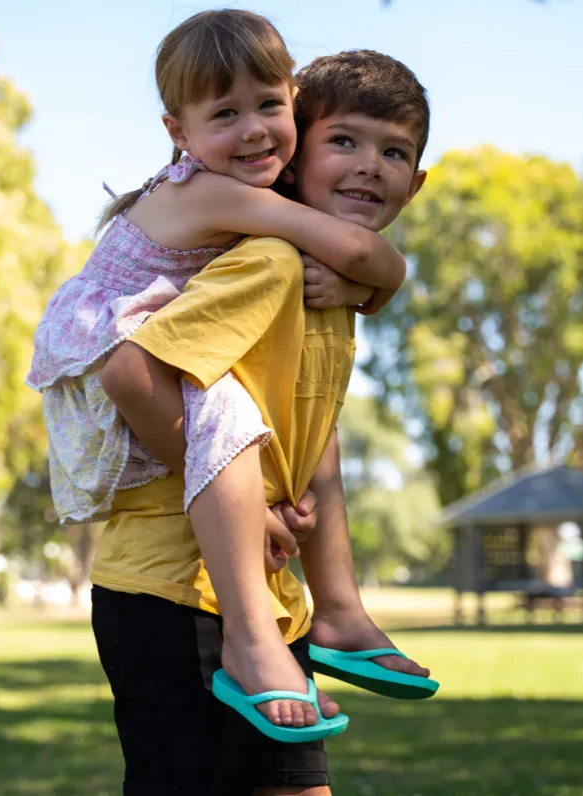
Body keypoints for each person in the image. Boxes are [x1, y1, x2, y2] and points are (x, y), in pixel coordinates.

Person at [27, 10, 406, 731]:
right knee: (228, 416)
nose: (255, 129)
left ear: (291, 100)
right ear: (179, 132)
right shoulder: (219, 194)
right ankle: (250, 640)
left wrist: (357, 288)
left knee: (297, 419)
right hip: (113, 359)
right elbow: (358, 251)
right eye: (224, 114)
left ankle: (331, 614)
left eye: (268, 104)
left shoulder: (243, 203)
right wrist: (384, 280)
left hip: (140, 349)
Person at [96, 48, 433, 794]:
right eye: (342, 141)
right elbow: (129, 372)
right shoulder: (266, 261)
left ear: (417, 180)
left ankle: (341, 617)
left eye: (393, 152)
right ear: (293, 155)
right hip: (173, 588)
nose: (369, 166)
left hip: (271, 597)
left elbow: (310, 434)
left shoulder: (330, 285)